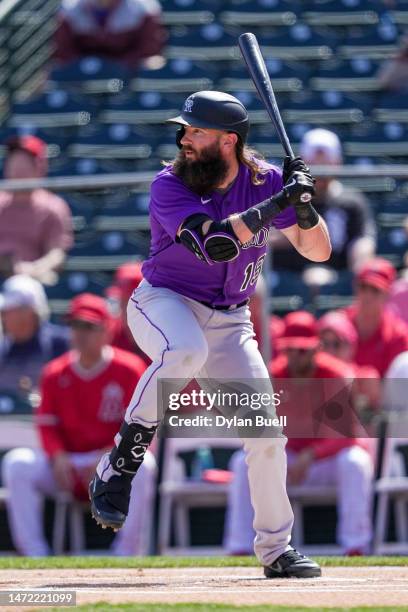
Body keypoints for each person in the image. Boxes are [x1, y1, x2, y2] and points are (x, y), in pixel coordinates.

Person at [89, 90, 332, 578]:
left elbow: (319, 251)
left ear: (229, 140)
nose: (184, 138)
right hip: (165, 301)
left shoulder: (264, 180)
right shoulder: (168, 185)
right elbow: (213, 244)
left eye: (196, 131)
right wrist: (278, 202)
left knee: (266, 436)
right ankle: (121, 461)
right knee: (183, 349)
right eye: (186, 129)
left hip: (231, 320)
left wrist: (305, 205)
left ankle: (276, 549)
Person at [2, 293, 155, 556]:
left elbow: (144, 427)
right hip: (68, 464)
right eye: (75, 326)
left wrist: (109, 456)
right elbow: (47, 426)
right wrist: (56, 455)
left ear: (106, 330)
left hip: (110, 462)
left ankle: (126, 554)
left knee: (144, 466)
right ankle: (35, 555)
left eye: (89, 327)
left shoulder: (129, 368)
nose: (80, 334)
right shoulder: (54, 372)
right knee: (18, 463)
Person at [224, 312, 374, 557]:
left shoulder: (335, 374)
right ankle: (239, 547)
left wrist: (312, 453)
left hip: (326, 461)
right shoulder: (274, 375)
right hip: (290, 460)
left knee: (355, 462)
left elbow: (345, 436)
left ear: (316, 348)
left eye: (302, 350)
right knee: (242, 463)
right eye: (290, 349)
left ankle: (355, 546)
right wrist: (281, 454)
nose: (295, 356)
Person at [270, 128, 376, 272]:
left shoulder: (352, 202)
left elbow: (363, 239)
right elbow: (267, 238)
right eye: (314, 165)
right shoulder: (288, 198)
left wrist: (361, 266)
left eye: (326, 165)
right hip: (288, 274)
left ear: (337, 164)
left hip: (338, 276)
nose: (320, 175)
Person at [0, 136, 73, 285]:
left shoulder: (53, 206)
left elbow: (56, 253)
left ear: (39, 167)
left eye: (24, 162)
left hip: (31, 281)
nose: (17, 167)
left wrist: (30, 270)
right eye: (14, 161)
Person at [0, 275, 69, 397]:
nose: (3, 316)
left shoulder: (63, 344)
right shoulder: (3, 348)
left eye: (7, 310)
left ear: (28, 313)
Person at [54, 0, 166, 70]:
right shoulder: (70, 9)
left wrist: (117, 67)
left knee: (153, 62)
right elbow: (64, 55)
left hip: (129, 71)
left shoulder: (143, 8)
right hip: (84, 74)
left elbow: (148, 51)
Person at [343, 258, 408, 377]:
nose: (367, 295)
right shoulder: (340, 323)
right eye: (363, 287)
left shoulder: (397, 334)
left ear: (387, 294)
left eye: (375, 290)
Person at [105, 261, 150, 365]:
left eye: (132, 302)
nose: (126, 309)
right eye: (123, 301)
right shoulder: (109, 335)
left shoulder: (167, 338)